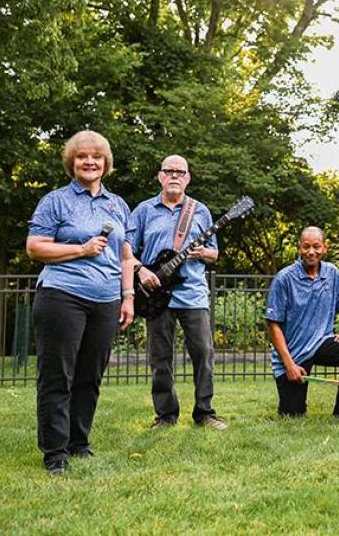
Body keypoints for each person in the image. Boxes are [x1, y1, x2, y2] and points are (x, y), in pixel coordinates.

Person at [26, 130, 136, 474]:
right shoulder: (55, 201)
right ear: (71, 162)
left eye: (96, 157)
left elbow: (126, 256)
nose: (90, 162)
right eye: (82, 157)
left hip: (105, 300)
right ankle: (55, 452)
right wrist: (81, 249)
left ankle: (78, 443)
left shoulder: (117, 205)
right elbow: (35, 247)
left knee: (90, 375)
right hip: (62, 296)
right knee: (58, 375)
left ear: (106, 163)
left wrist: (127, 296)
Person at [128, 155, 226, 430]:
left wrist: (203, 252)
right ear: (160, 176)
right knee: (160, 357)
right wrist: (141, 272)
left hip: (193, 293)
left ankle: (205, 412)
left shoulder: (200, 211)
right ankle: (166, 415)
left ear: (187, 178)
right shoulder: (144, 211)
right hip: (156, 295)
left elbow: (214, 253)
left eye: (179, 172)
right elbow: (127, 251)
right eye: (168, 171)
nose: (174, 176)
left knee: (204, 354)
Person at [265, 227, 339, 420]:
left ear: (324, 248)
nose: (311, 252)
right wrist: (289, 365)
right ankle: (291, 402)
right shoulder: (284, 278)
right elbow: (273, 325)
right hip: (293, 354)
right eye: (306, 247)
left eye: (316, 247)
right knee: (292, 415)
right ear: (299, 248)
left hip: (321, 343)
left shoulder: (332, 274)